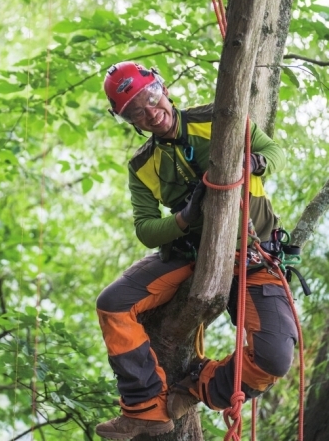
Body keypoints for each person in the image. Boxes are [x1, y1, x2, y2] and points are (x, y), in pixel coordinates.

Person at [95, 61, 297, 440]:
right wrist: (184, 219)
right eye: (135, 111)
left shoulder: (220, 119)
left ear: (164, 88)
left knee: (274, 357)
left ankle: (197, 385)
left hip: (253, 252)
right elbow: (146, 229)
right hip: (192, 253)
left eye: (151, 98)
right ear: (129, 120)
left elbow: (274, 149)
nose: (151, 112)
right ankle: (145, 408)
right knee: (113, 304)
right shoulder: (142, 166)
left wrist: (258, 161)